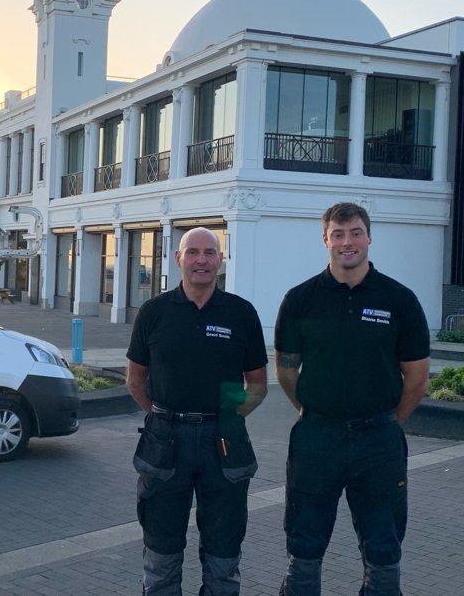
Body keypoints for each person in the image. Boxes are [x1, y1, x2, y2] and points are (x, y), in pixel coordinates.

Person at [273, 202, 430, 595]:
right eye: (338, 234)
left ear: (369, 237)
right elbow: (287, 372)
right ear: (325, 240)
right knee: (304, 547)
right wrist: (315, 412)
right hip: (316, 438)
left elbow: (417, 378)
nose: (348, 242)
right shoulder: (300, 300)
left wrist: (386, 420)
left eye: (356, 232)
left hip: (378, 442)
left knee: (383, 548)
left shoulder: (400, 300)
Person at [126, 227, 269, 596]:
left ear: (220, 260)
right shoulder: (154, 312)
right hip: (164, 442)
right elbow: (135, 380)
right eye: (193, 252)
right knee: (160, 549)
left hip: (224, 442)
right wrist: (163, 416)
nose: (201, 260)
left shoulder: (241, 313)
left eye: (209, 253)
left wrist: (226, 418)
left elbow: (256, 385)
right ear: (178, 259)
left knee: (224, 550)